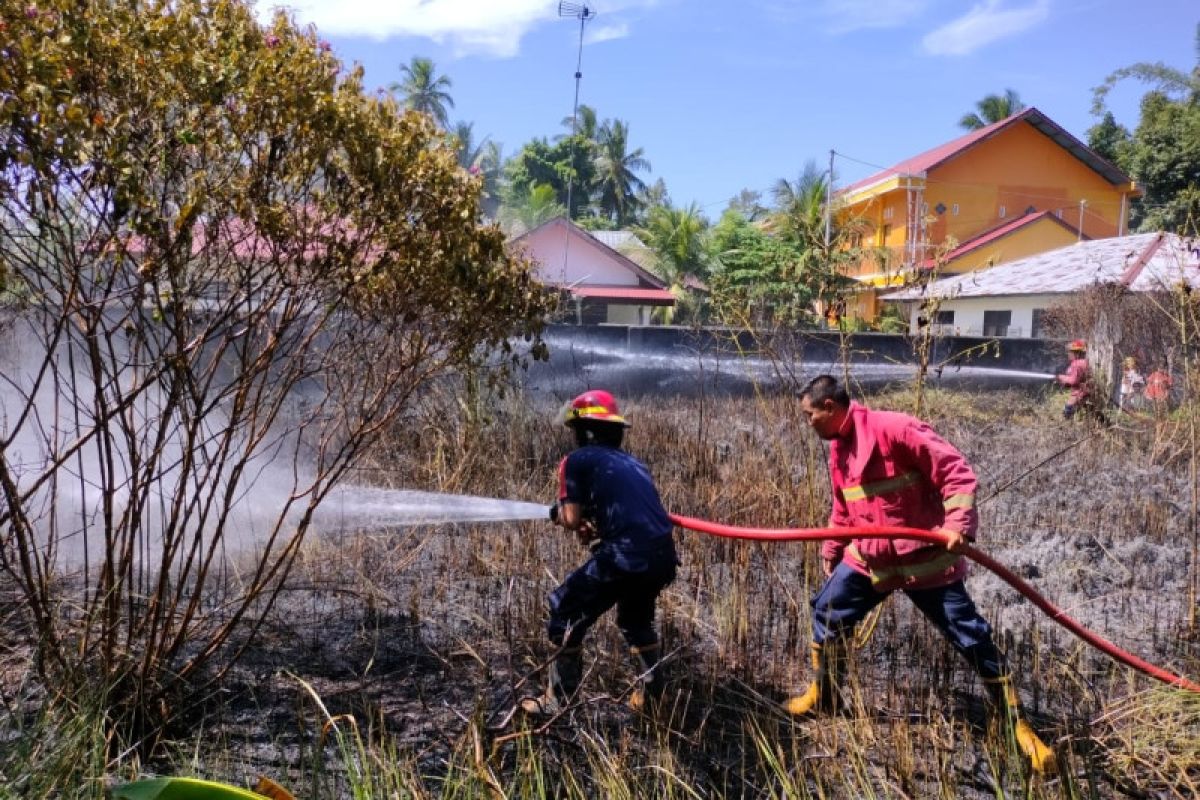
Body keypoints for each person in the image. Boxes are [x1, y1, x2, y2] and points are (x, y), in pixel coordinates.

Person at [787, 375, 1056, 774]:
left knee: (972, 636)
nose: (807, 423)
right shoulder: (838, 451)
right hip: (871, 560)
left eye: (810, 415)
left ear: (830, 408)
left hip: (924, 560)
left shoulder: (895, 428)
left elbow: (956, 472)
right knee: (827, 612)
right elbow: (843, 505)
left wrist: (958, 524)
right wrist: (833, 547)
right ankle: (825, 695)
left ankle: (1018, 726)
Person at [521, 389, 679, 716]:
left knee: (565, 610)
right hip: (661, 557)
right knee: (636, 620)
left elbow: (570, 518)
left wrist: (562, 516)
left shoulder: (575, 461)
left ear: (585, 431)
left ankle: (557, 701)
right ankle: (654, 698)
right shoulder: (633, 462)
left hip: (625, 557)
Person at [1056, 339, 1093, 420]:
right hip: (1085, 392)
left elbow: (1074, 380)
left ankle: (1068, 427)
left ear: (1077, 353)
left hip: (1079, 393)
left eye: (1070, 352)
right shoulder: (1083, 362)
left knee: (1068, 410)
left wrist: (1061, 378)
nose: (1068, 354)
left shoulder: (1077, 364)